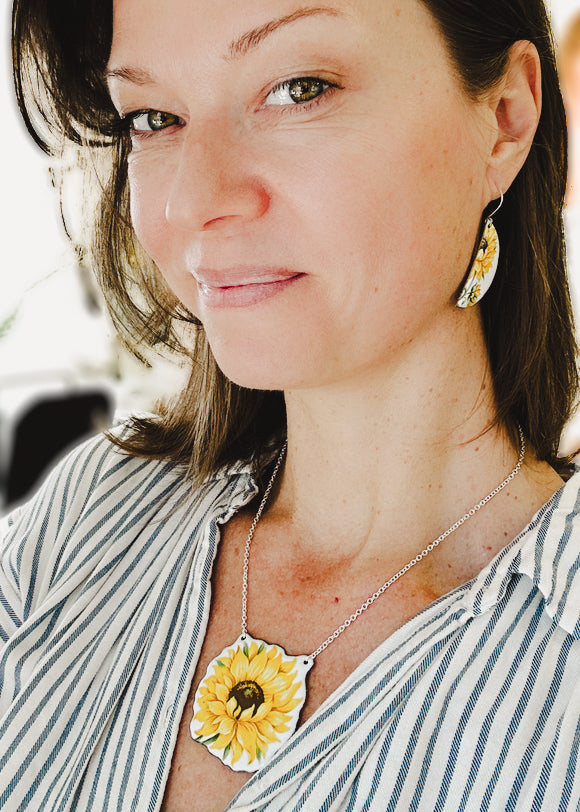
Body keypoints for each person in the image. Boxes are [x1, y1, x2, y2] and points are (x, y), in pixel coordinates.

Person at [2, 0, 580, 809]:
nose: (194, 202)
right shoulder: (83, 525)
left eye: (299, 88)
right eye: (155, 116)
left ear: (506, 120)